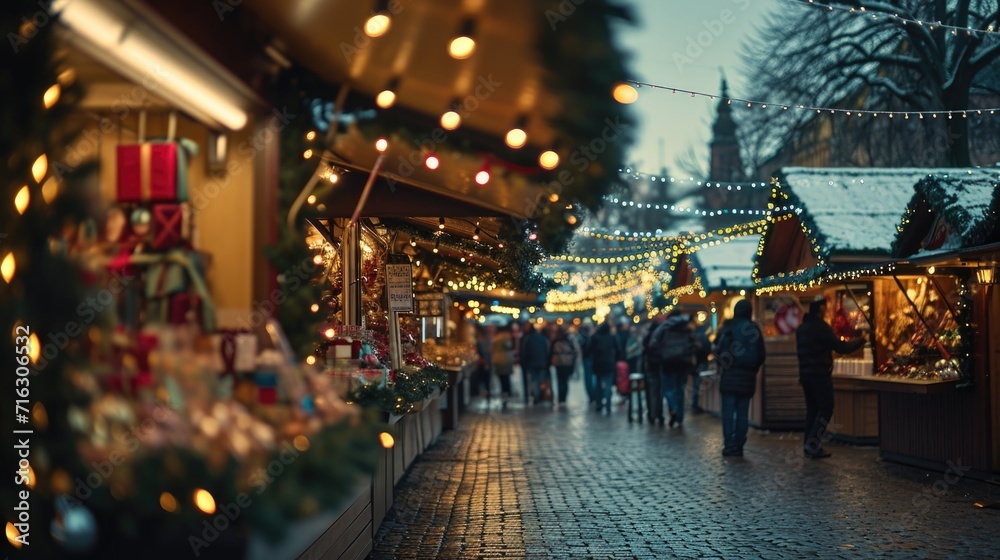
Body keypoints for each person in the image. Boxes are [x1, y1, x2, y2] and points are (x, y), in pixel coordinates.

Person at [796, 297, 866, 459]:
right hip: (820, 375)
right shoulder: (821, 327)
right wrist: (862, 339)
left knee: (812, 410)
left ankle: (808, 445)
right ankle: (812, 444)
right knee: (826, 408)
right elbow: (841, 347)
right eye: (825, 306)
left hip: (805, 376)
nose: (827, 309)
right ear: (820, 308)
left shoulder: (802, 328)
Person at [714, 300, 766, 457]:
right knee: (743, 414)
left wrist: (724, 365)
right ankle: (738, 446)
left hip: (729, 378)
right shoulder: (754, 329)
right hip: (747, 378)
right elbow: (761, 354)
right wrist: (753, 370)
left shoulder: (727, 327)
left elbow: (717, 350)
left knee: (728, 414)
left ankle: (729, 445)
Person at [650, 309, 698, 428]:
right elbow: (695, 344)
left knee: (667, 389)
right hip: (683, 363)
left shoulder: (664, 327)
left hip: (668, 362)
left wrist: (661, 353)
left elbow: (653, 343)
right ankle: (680, 418)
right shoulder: (687, 328)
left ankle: (674, 408)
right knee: (680, 390)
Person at [586, 322, 621, 414]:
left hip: (598, 364)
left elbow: (588, 350)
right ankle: (608, 404)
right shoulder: (612, 337)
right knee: (608, 385)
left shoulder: (595, 337)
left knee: (598, 385)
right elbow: (618, 349)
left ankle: (599, 404)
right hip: (609, 363)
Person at [642, 315, 666, 425]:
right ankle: (659, 414)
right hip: (661, 365)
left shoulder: (649, 335)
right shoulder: (663, 333)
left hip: (651, 366)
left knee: (653, 391)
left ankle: (653, 414)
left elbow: (645, 349)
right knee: (659, 391)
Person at [519, 323, 551, 405]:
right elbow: (547, 350)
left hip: (532, 363)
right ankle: (540, 396)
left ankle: (536, 396)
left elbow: (525, 352)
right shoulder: (543, 338)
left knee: (534, 380)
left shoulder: (528, 339)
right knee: (540, 380)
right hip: (541, 362)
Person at [550, 327, 578, 409]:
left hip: (559, 364)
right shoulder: (569, 341)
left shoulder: (556, 341)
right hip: (567, 364)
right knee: (565, 382)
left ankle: (560, 399)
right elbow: (574, 352)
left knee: (560, 381)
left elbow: (551, 352)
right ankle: (563, 399)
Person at [491, 325, 516, 410]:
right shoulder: (506, 337)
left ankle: (504, 393)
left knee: (502, 378)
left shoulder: (496, 338)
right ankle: (507, 393)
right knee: (506, 378)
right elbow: (509, 346)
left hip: (498, 360)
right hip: (506, 360)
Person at [691, 324, 712, 413]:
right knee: (698, 384)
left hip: (695, 365)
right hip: (702, 363)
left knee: (696, 385)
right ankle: (696, 404)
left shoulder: (694, 337)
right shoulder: (704, 338)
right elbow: (709, 349)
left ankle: (695, 404)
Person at [579, 323, 598, 405]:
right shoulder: (588, 338)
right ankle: (593, 396)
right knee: (590, 379)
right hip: (589, 360)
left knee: (590, 379)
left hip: (590, 360)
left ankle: (593, 396)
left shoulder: (585, 338)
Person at [473, 326, 493, 400]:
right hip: (485, 363)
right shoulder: (485, 341)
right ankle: (486, 391)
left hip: (484, 363)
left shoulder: (482, 342)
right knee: (486, 379)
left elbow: (485, 353)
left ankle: (486, 392)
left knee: (485, 378)